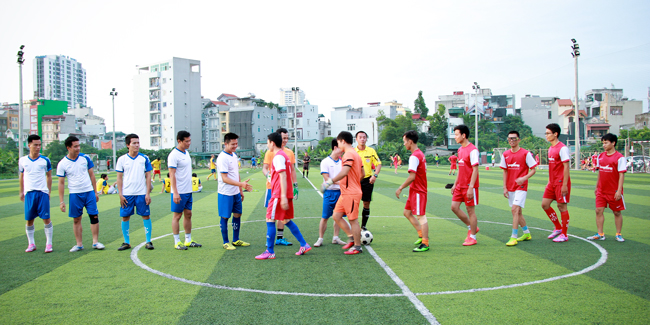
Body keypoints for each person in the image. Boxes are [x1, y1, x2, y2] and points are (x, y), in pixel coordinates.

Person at [256, 132, 311, 260]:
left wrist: (283, 197)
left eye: (268, 142)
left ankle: (269, 251)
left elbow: (283, 176)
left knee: (270, 219)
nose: (267, 145)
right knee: (285, 220)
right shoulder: (283, 155)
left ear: (273, 143)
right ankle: (304, 244)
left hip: (278, 194)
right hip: (283, 194)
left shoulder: (278, 157)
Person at [57, 136, 104, 252]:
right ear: (68, 148)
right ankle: (79, 244)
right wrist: (61, 201)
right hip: (75, 194)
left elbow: (92, 175)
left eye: (79, 146)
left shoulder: (85, 158)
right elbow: (61, 183)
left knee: (94, 216)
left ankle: (95, 242)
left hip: (89, 193)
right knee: (76, 219)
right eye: (75, 146)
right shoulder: (62, 164)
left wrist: (95, 192)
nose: (78, 148)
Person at [321, 131, 364, 255]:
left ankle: (357, 246)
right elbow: (363, 174)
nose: (338, 145)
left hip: (351, 193)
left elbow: (345, 171)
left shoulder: (349, 154)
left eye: (339, 142)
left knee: (353, 220)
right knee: (336, 215)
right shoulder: (354, 154)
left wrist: (330, 182)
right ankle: (351, 237)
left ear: (343, 141)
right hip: (345, 192)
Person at [115, 134, 154, 251]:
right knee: (125, 217)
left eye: (138, 142)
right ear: (128, 145)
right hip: (127, 194)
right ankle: (126, 242)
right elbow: (119, 178)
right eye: (134, 143)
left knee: (146, 216)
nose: (137, 145)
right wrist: (120, 195)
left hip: (142, 193)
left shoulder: (144, 158)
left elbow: (148, 176)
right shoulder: (122, 159)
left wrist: (148, 194)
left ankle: (148, 241)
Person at [500, 131, 538, 246]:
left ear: (519, 140)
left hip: (521, 187)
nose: (512, 140)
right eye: (510, 138)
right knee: (518, 212)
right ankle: (526, 233)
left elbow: (533, 169)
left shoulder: (525, 154)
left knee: (514, 210)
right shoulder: (505, 154)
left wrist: (524, 178)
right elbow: (505, 171)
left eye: (514, 138)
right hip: (510, 187)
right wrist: (505, 187)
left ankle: (513, 237)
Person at [587, 133, 627, 242]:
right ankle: (600, 233)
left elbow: (621, 174)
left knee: (617, 212)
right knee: (598, 210)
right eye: (603, 143)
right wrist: (597, 187)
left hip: (613, 191)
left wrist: (619, 190)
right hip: (601, 190)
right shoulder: (601, 156)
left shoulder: (620, 158)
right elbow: (600, 172)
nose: (604, 145)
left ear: (613, 143)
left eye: (606, 143)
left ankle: (618, 233)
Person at [217, 133, 253, 250]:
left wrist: (240, 190)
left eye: (236, 143)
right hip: (225, 193)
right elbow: (225, 178)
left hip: (235, 192)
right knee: (225, 216)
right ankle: (225, 241)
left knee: (238, 214)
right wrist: (241, 184)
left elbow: (236, 174)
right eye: (233, 144)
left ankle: (236, 239)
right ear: (225, 143)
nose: (235, 146)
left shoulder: (234, 155)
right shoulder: (222, 157)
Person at [262, 128, 297, 246]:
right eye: (284, 138)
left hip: (282, 188)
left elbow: (291, 170)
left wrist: (295, 184)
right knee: (272, 215)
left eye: (287, 138)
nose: (285, 140)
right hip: (272, 187)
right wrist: (268, 176)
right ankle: (271, 243)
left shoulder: (288, 153)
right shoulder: (270, 152)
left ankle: (277, 240)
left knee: (280, 215)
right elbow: (265, 168)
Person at [395, 131, 429, 252]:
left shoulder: (414, 156)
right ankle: (421, 234)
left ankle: (425, 242)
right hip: (414, 190)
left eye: (404, 142)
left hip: (418, 191)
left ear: (410, 141)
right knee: (407, 213)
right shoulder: (419, 153)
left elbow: (412, 177)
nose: (404, 144)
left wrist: (400, 187)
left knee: (421, 217)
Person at [168, 131, 202, 250]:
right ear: (179, 141)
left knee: (188, 214)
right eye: (186, 141)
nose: (189, 143)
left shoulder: (186, 153)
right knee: (177, 216)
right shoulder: (173, 155)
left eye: (189, 140)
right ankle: (177, 242)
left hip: (188, 191)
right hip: (179, 191)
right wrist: (175, 192)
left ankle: (188, 240)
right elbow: (172, 175)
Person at [20, 135, 54, 253]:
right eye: (35, 145)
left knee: (46, 218)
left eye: (40, 145)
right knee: (29, 220)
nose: (38, 147)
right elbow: (22, 176)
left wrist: (48, 191)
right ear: (29, 145)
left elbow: (49, 176)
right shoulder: (23, 160)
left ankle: (49, 244)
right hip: (29, 193)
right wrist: (21, 191)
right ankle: (31, 244)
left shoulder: (45, 160)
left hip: (42, 193)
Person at [450, 125, 480, 246]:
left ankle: (473, 236)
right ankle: (471, 226)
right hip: (459, 185)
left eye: (457, 134)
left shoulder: (473, 150)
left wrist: (471, 187)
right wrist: (455, 184)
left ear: (464, 135)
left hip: (469, 186)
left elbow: (475, 169)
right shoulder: (460, 150)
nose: (455, 137)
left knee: (470, 210)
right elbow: (460, 169)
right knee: (454, 207)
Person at [541, 123, 572, 243]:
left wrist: (564, 185)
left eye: (548, 133)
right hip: (552, 183)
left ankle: (564, 234)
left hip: (561, 182)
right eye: (546, 133)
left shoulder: (562, 148)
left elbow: (566, 167)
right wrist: (549, 181)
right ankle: (558, 227)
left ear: (555, 134)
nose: (546, 135)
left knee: (562, 207)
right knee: (545, 205)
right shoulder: (550, 148)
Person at [314, 138, 347, 247]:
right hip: (329, 193)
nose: (342, 150)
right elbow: (327, 178)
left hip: (341, 193)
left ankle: (335, 237)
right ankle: (320, 238)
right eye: (340, 148)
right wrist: (340, 182)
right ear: (335, 147)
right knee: (325, 217)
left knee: (338, 216)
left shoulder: (343, 162)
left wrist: (339, 183)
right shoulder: (325, 162)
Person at [354, 131, 382, 231]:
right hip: (355, 181)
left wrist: (375, 175)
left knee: (366, 203)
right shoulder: (353, 152)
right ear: (356, 139)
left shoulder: (371, 151)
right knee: (354, 203)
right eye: (360, 137)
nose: (362, 139)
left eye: (364, 137)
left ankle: (363, 226)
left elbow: (378, 164)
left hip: (367, 181)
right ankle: (354, 226)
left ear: (366, 139)